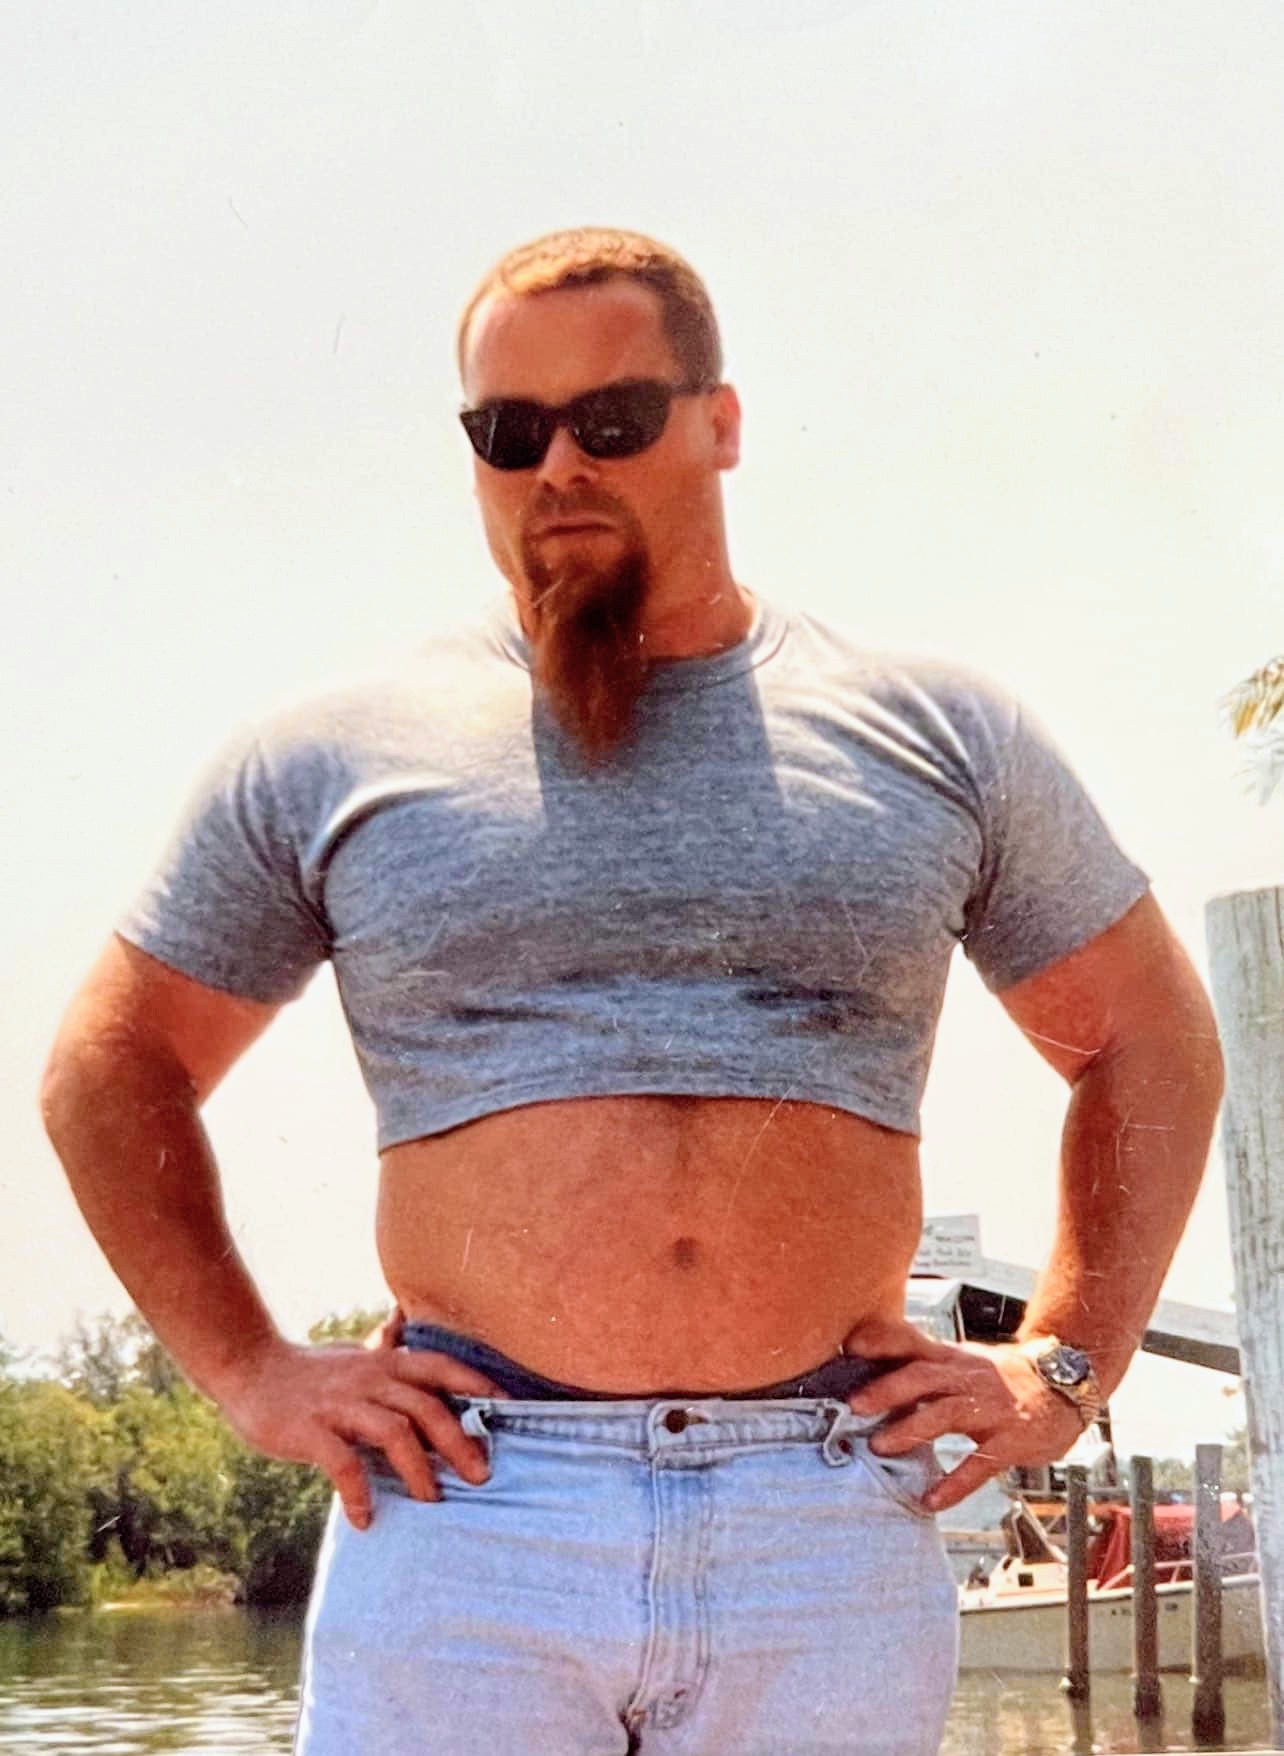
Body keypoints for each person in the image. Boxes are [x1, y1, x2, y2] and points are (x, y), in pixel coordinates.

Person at [41, 227, 1224, 1755]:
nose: (559, 468)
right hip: (470, 1505)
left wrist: (1064, 1366)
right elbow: (112, 1065)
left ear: (720, 424)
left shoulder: (936, 732)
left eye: (611, 421)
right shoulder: (333, 752)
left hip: (824, 1509)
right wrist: (249, 1370)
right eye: (508, 431)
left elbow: (1149, 1040)